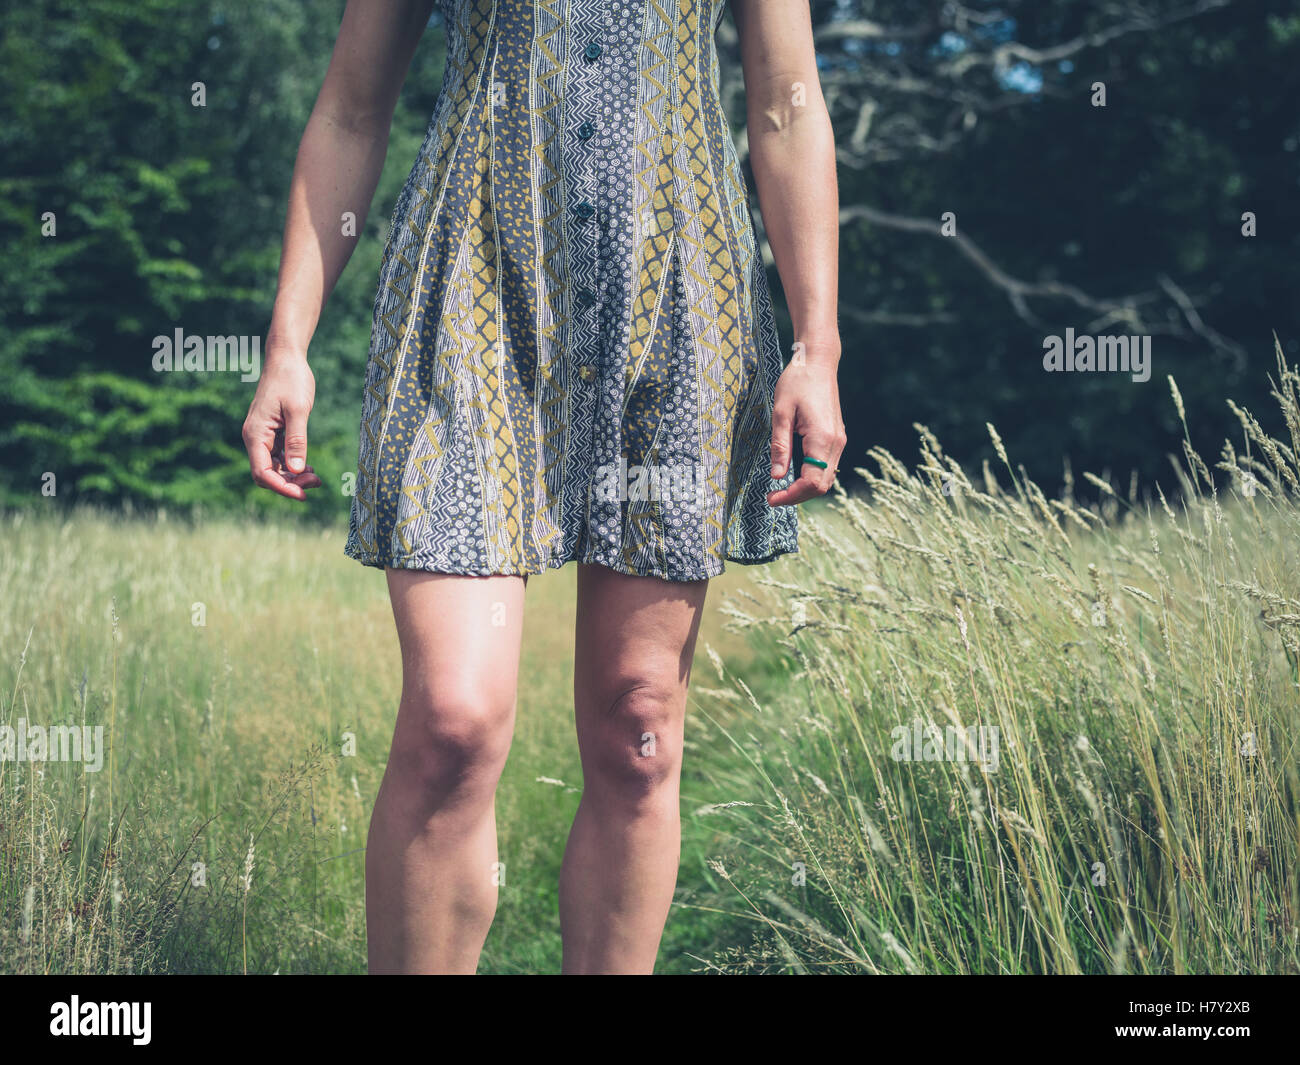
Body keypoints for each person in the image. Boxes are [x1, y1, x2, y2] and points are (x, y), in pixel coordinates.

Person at [241, 0, 843, 975]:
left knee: (636, 723)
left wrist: (816, 346)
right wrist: (287, 346)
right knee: (452, 721)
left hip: (678, 299)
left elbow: (784, 105)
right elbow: (352, 106)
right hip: (470, 292)